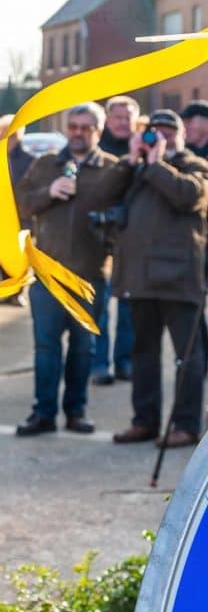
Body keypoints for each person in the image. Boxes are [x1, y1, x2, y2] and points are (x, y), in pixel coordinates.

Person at [14, 102, 131, 436]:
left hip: (89, 276)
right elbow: (21, 204)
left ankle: (76, 412)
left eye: (85, 128)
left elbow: (126, 216)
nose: (78, 133)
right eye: (73, 127)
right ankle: (43, 413)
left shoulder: (112, 169)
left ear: (98, 131)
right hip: (48, 276)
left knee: (83, 348)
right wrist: (48, 192)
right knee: (46, 348)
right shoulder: (46, 164)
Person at [112, 109, 208, 448]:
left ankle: (185, 424)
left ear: (181, 137)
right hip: (139, 278)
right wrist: (131, 160)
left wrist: (156, 164)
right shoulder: (135, 168)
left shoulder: (195, 166)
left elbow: (189, 195)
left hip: (180, 280)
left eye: (169, 133)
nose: (161, 139)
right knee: (143, 354)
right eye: (155, 133)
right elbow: (104, 193)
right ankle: (145, 421)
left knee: (188, 357)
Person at [91, 95, 139, 385]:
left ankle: (125, 361)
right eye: (117, 117)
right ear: (107, 120)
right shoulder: (95, 150)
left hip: (133, 239)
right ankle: (99, 364)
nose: (122, 122)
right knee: (99, 305)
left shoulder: (143, 150)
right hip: (98, 239)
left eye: (127, 118)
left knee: (128, 307)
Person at [0, 114, 35, 306]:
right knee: (0, 254)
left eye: (10, 133)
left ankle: (18, 292)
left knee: (21, 256)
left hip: (21, 215)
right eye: (1, 133)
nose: (5, 137)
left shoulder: (29, 159)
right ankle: (6, 290)